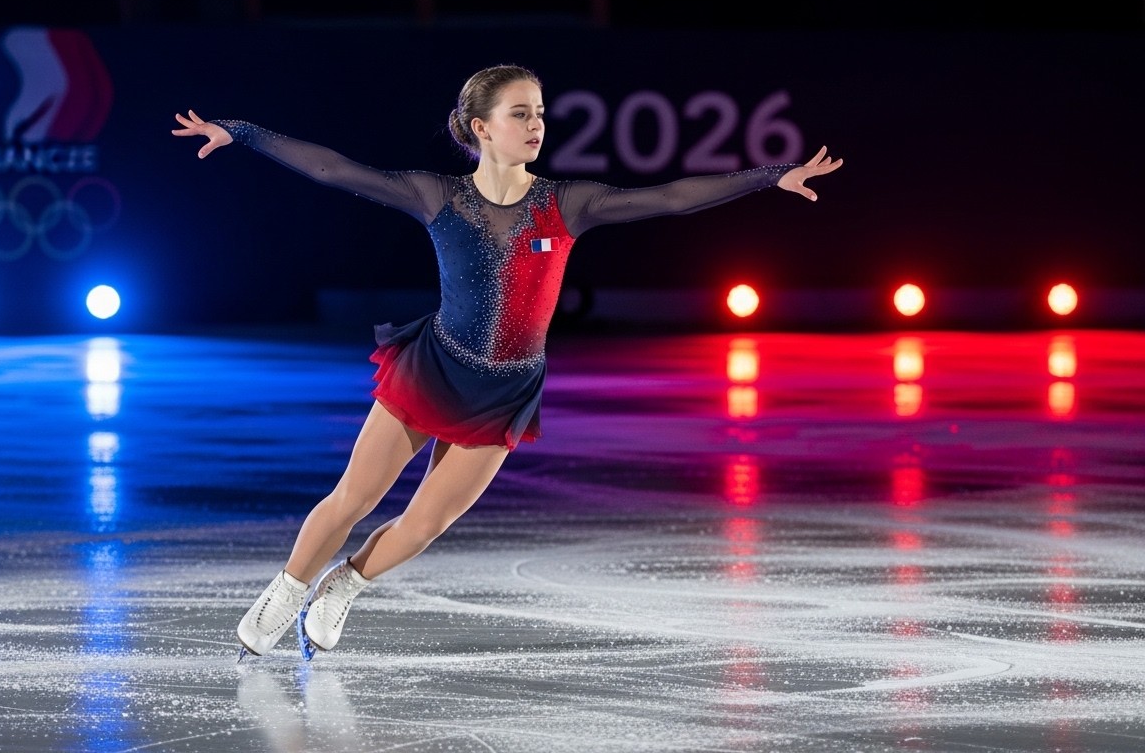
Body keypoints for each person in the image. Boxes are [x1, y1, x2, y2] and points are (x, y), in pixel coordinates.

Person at [171, 64, 842, 660]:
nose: (536, 124)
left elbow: (667, 197)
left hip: (505, 391)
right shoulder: (438, 196)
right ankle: (285, 594)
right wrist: (242, 132)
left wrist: (769, 177)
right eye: (520, 112)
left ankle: (343, 585)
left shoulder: (565, 203)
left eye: (540, 112)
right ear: (479, 128)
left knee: (428, 523)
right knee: (355, 496)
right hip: (435, 368)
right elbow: (334, 169)